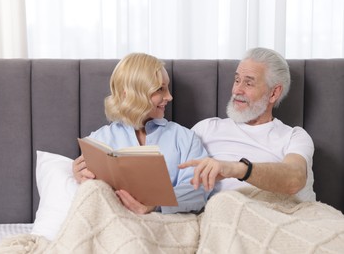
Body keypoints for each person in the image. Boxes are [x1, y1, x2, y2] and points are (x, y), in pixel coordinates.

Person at [72, 52, 208, 214]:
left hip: (165, 225)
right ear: (131, 94)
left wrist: (157, 205)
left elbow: (199, 191)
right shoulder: (99, 140)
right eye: (160, 89)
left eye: (167, 88)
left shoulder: (185, 138)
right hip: (116, 223)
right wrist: (80, 176)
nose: (169, 97)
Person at [179, 47, 316, 202]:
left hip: (267, 214)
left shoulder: (293, 137)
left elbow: (295, 178)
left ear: (274, 93)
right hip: (214, 214)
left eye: (249, 84)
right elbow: (174, 173)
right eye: (237, 80)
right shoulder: (206, 128)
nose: (237, 90)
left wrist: (236, 169)